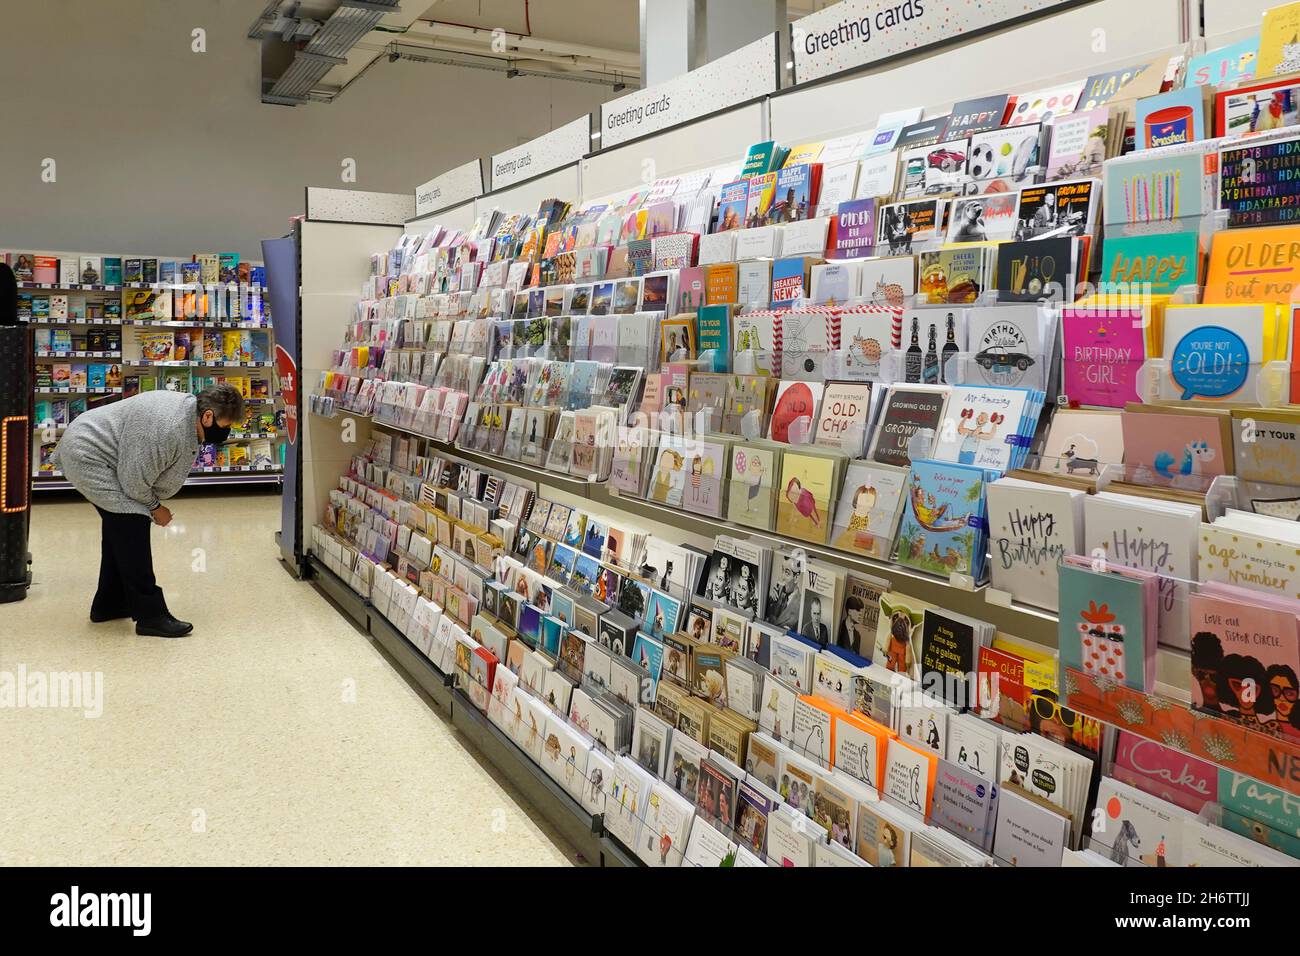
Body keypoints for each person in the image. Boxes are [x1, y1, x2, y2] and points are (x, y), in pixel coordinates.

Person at [52, 384, 245, 637]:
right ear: (207, 416)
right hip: (89, 454)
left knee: (118, 530)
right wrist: (156, 507)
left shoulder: (188, 414)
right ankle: (151, 616)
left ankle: (109, 604)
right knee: (132, 523)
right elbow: (134, 482)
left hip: (106, 455)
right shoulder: (168, 428)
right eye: (225, 424)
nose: (226, 431)